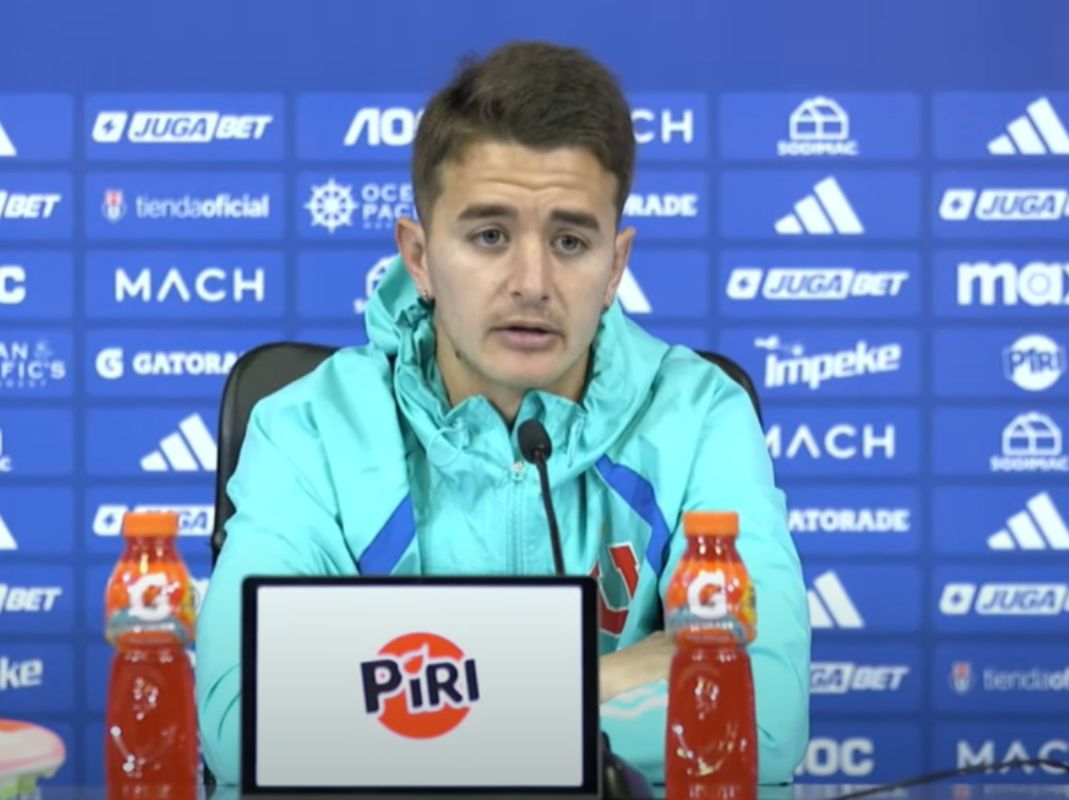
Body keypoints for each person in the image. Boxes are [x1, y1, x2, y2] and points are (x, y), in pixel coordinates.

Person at [195, 40, 810, 786]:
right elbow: (249, 723)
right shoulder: (309, 428)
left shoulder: (701, 417)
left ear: (615, 265)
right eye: (490, 235)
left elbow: (761, 719)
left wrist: (398, 710)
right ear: (418, 256)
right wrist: (602, 679)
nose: (532, 282)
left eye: (570, 241)